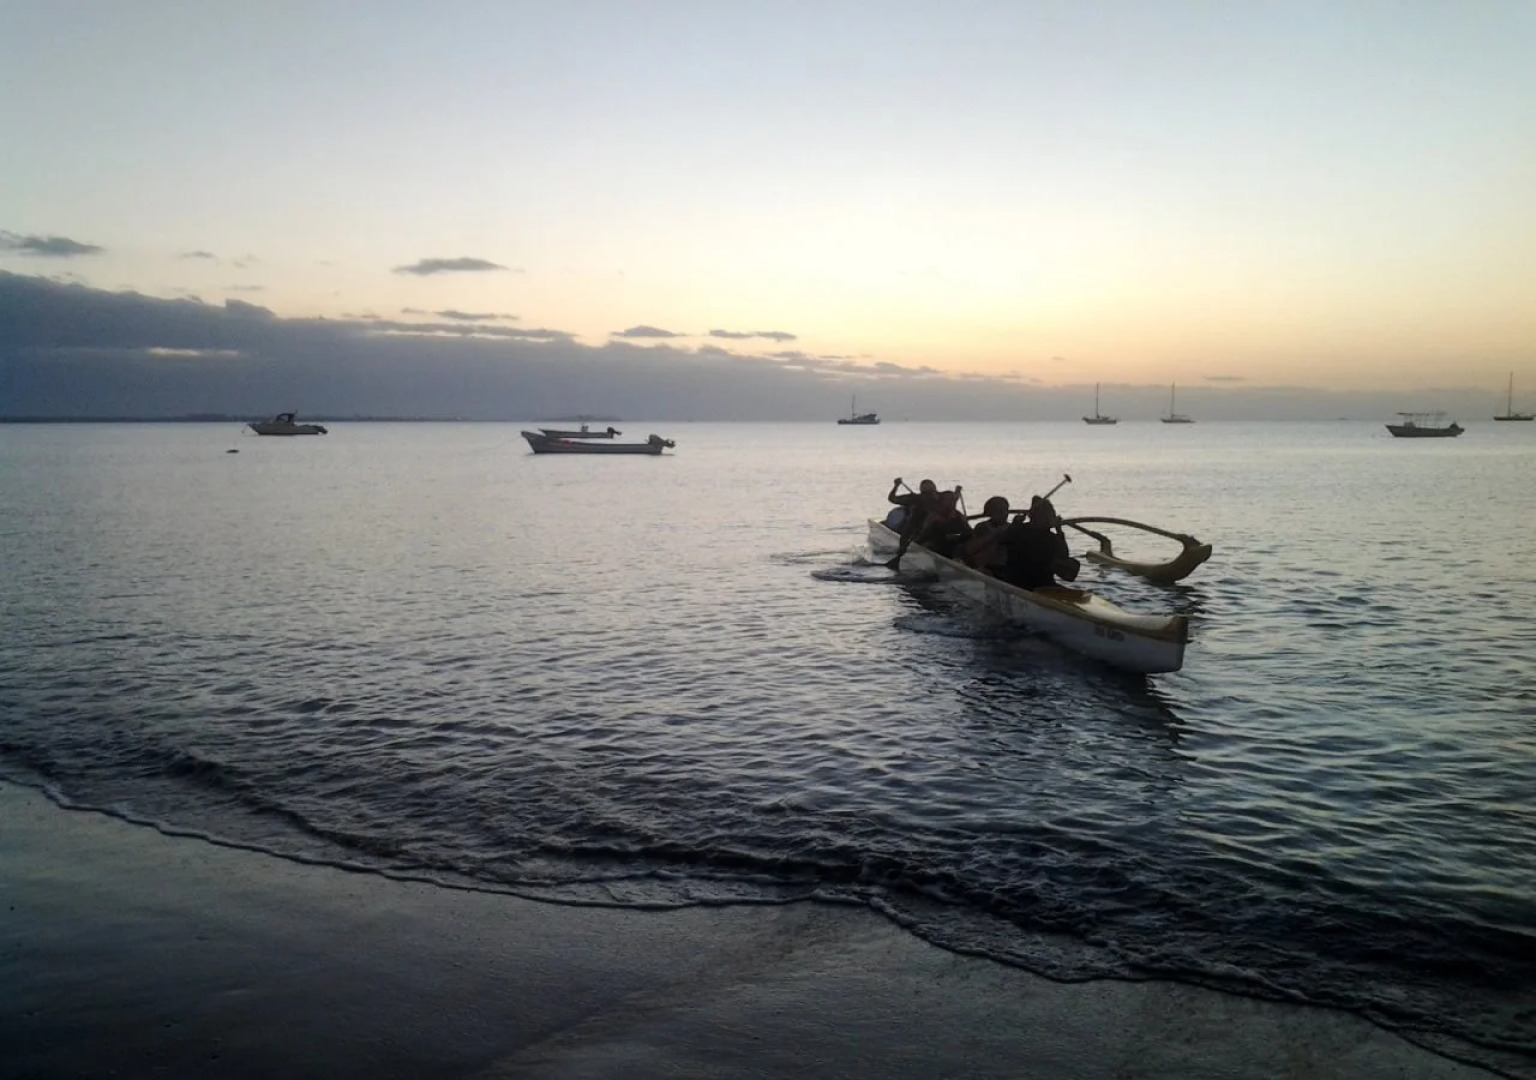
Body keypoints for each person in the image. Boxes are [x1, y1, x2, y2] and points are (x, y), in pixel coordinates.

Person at [997, 496, 1081, 590]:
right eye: (1048, 516)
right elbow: (1001, 541)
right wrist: (1013, 525)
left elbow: (1064, 557)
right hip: (1018, 583)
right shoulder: (1019, 530)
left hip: (1043, 584)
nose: (1051, 519)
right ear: (1035, 517)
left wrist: (1059, 530)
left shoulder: (1052, 538)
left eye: (1051, 515)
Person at [883, 479, 939, 568]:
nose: (929, 497)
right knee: (908, 531)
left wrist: (957, 493)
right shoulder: (915, 498)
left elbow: (953, 499)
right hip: (916, 528)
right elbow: (892, 499)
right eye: (927, 494)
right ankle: (901, 552)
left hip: (935, 528)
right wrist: (896, 486)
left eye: (931, 494)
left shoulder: (941, 498)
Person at [914, 489, 972, 558]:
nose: (951, 502)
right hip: (936, 548)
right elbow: (924, 535)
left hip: (955, 547)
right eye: (948, 500)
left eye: (952, 500)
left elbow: (968, 532)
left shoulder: (958, 515)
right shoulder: (933, 516)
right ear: (941, 502)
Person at [959, 496, 1011, 572]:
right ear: (990, 512)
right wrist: (995, 534)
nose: (1004, 513)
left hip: (1006, 567)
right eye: (999, 510)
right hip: (987, 567)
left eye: (1005, 510)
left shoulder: (1011, 527)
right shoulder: (982, 527)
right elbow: (971, 549)